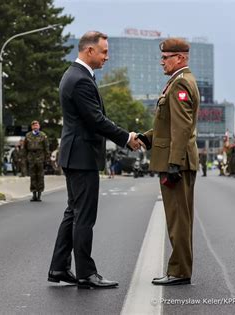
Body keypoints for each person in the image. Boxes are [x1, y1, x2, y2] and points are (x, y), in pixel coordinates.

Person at [48, 31, 141, 289]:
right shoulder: (80, 80)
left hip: (76, 154)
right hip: (82, 157)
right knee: (84, 217)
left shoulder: (75, 75)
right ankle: (86, 273)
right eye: (104, 52)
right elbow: (96, 120)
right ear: (89, 50)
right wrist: (126, 137)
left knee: (73, 213)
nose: (107, 57)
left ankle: (58, 267)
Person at [139, 38, 200, 286]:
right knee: (178, 219)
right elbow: (168, 126)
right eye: (162, 57)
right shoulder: (176, 82)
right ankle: (179, 269)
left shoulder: (181, 83)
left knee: (179, 220)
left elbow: (183, 127)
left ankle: (179, 272)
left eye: (166, 57)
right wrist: (146, 137)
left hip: (178, 163)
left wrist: (174, 163)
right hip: (178, 160)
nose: (162, 61)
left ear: (181, 58)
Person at [24, 120, 49, 201]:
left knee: (40, 176)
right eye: (34, 125)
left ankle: (39, 194)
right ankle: (34, 193)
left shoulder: (43, 135)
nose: (35, 127)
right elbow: (25, 148)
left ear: (39, 126)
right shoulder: (28, 135)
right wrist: (25, 158)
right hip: (31, 157)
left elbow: (46, 148)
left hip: (40, 157)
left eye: (37, 125)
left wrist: (46, 159)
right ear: (32, 127)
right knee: (33, 176)